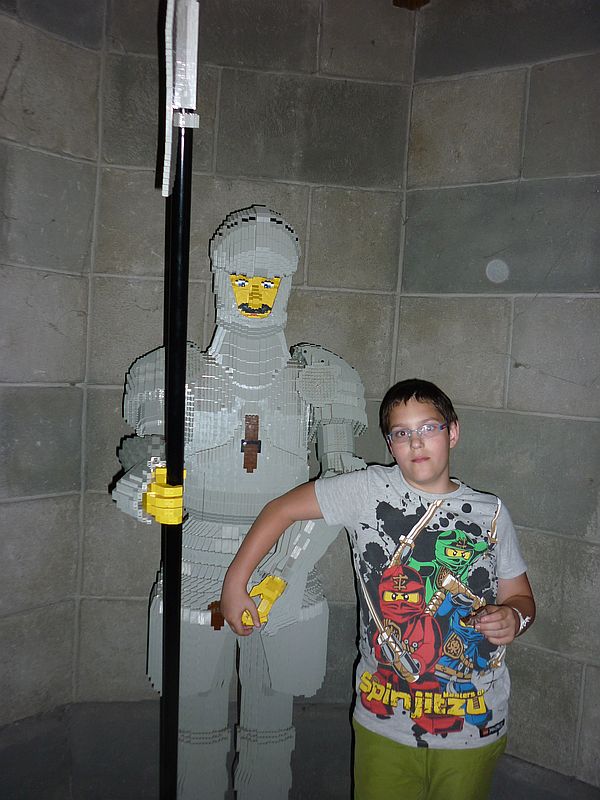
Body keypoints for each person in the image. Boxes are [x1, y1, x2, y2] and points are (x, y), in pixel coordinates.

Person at [112, 206, 367, 800]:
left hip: (287, 561)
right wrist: (145, 493)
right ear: (219, 277)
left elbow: (342, 486)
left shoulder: (321, 375)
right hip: (196, 565)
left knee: (273, 724)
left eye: (269, 281)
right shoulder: (171, 371)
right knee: (195, 722)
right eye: (243, 279)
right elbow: (147, 462)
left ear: (288, 283)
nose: (255, 294)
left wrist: (287, 570)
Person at [220, 378, 535, 800]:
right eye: (402, 433)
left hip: (473, 722)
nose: (416, 442)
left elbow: (522, 599)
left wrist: (514, 618)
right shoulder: (367, 491)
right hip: (384, 719)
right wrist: (235, 583)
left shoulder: (491, 513)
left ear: (453, 432)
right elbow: (281, 510)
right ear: (390, 444)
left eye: (429, 428)